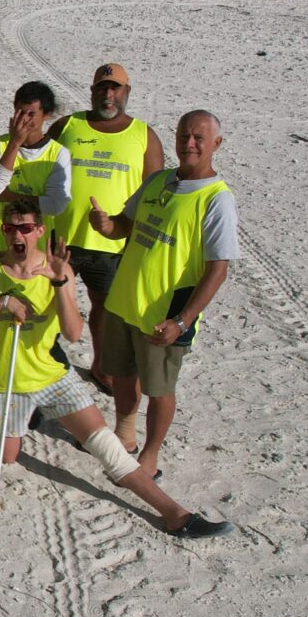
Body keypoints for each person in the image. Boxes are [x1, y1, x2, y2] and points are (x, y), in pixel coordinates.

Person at [0, 197, 230, 537]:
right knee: (8, 456)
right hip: (4, 377)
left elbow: (73, 334)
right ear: (2, 231)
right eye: (11, 228)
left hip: (51, 374)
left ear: (39, 231)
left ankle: (176, 514)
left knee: (108, 448)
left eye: (26, 228)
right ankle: (29, 414)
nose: (19, 236)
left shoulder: (59, 270)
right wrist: (0, 304)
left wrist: (59, 285)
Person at [87, 109, 238, 471]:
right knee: (121, 375)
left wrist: (182, 321)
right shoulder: (158, 181)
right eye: (184, 135)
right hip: (124, 301)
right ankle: (125, 432)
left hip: (164, 315)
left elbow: (218, 269)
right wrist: (106, 225)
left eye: (199, 138)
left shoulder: (217, 200)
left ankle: (150, 455)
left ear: (216, 144)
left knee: (159, 388)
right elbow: (126, 224)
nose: (189, 143)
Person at [48, 63, 164, 389]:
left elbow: (152, 193)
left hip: (114, 242)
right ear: (92, 91)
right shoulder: (67, 125)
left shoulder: (144, 135)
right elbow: (38, 166)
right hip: (62, 239)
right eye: (102, 88)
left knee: (106, 310)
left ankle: (102, 366)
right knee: (48, 302)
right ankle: (42, 365)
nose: (108, 95)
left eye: (115, 88)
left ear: (127, 92)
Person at [0, 81, 70, 264]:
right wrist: (15, 144)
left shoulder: (58, 154)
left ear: (46, 115)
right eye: (20, 112)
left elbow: (56, 204)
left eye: (31, 113)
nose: (24, 119)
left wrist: (10, 196)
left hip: (38, 242)